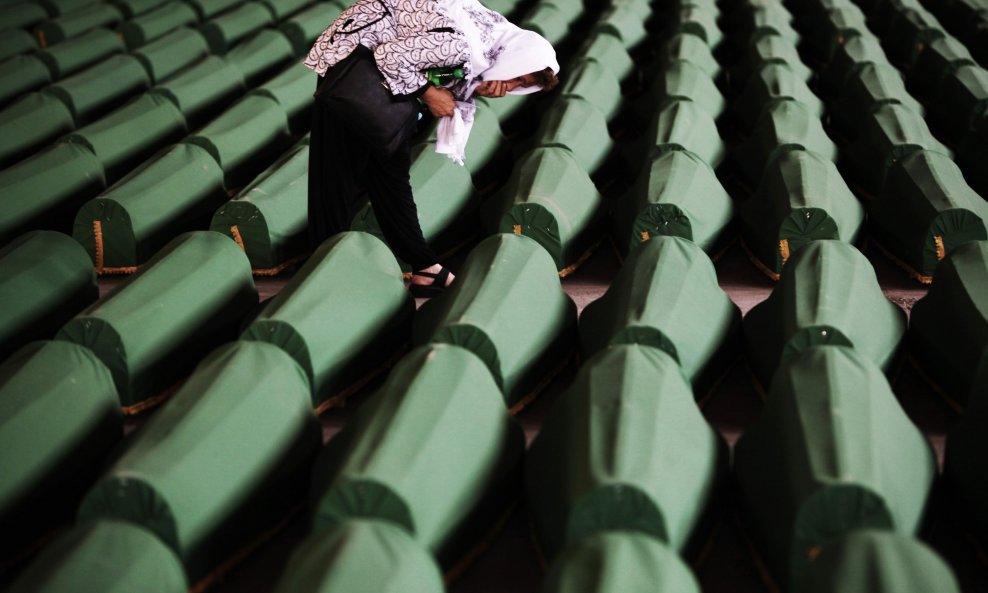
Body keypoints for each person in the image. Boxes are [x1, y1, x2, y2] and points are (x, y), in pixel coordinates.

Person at [305, 0, 559, 297]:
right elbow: (390, 55)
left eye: (520, 85)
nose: (511, 86)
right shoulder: (461, 45)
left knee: (388, 172)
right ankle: (325, 265)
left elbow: (435, 68)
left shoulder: (489, 44)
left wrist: (477, 85)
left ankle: (424, 266)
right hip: (352, 62)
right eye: (518, 76)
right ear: (515, 58)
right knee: (339, 168)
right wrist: (427, 93)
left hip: (375, 70)